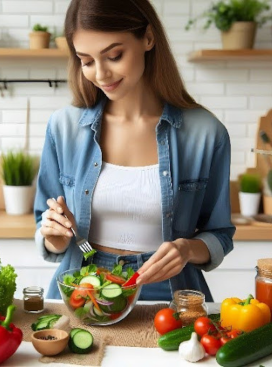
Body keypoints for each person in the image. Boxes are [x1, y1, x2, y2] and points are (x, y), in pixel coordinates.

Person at [34, 0, 235, 302]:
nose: (100, 74)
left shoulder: (206, 133)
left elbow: (218, 232)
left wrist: (186, 249)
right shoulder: (64, 128)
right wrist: (52, 236)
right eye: (86, 61)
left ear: (148, 38)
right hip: (81, 289)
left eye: (114, 55)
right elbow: (45, 223)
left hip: (169, 292)